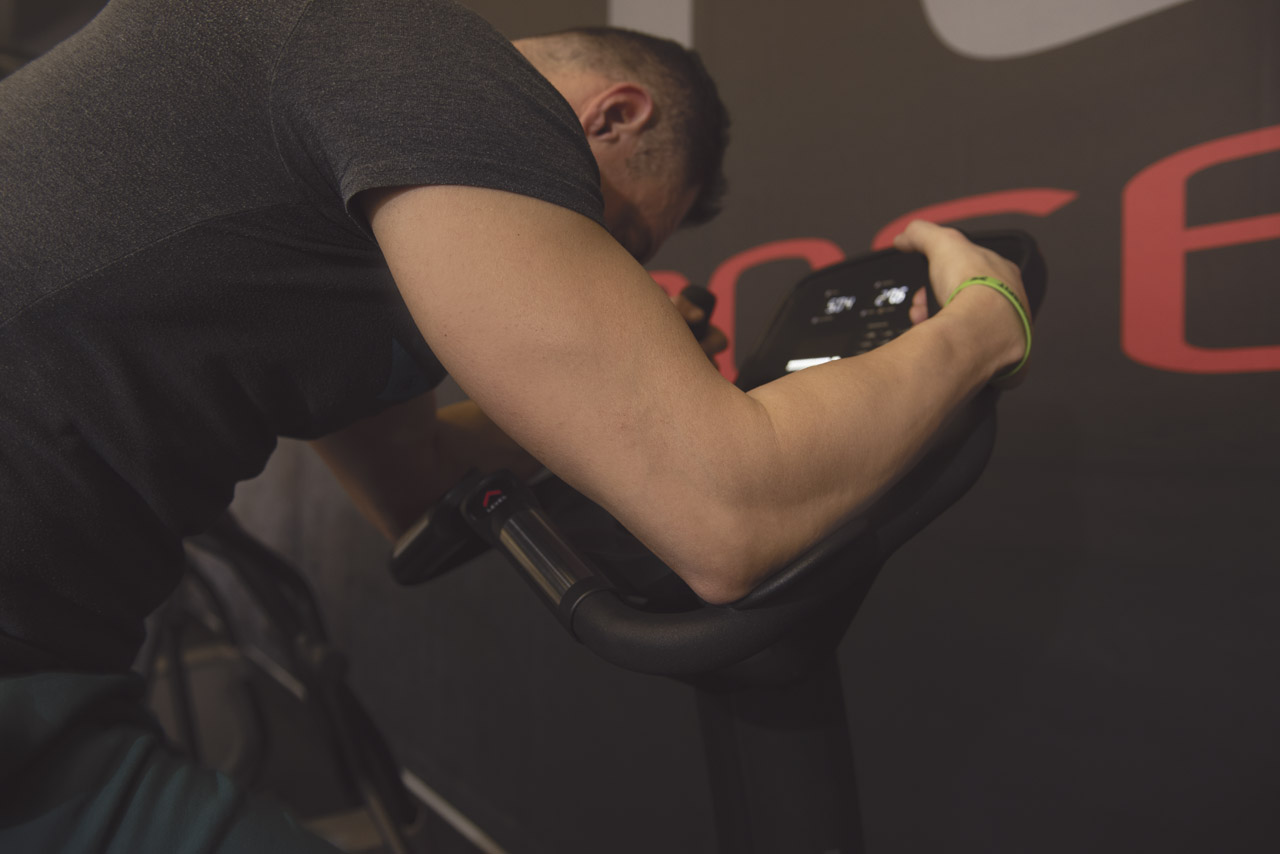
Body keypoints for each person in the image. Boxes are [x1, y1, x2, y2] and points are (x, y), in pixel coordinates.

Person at [0, 0, 1030, 850]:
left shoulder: (349, 218)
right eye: (617, 237)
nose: (604, 270)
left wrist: (610, 395)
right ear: (612, 115)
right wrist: (985, 321)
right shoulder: (430, 60)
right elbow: (726, 517)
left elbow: (412, 480)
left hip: (49, 681)